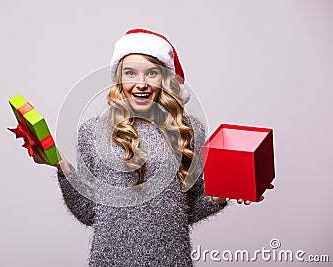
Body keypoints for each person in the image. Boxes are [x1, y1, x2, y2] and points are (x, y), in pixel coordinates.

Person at [31, 29, 273, 266]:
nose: (141, 84)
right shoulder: (93, 132)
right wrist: (61, 165)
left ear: (165, 79)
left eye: (152, 73)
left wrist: (224, 193)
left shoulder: (189, 131)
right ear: (119, 79)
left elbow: (187, 210)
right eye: (130, 73)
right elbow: (87, 212)